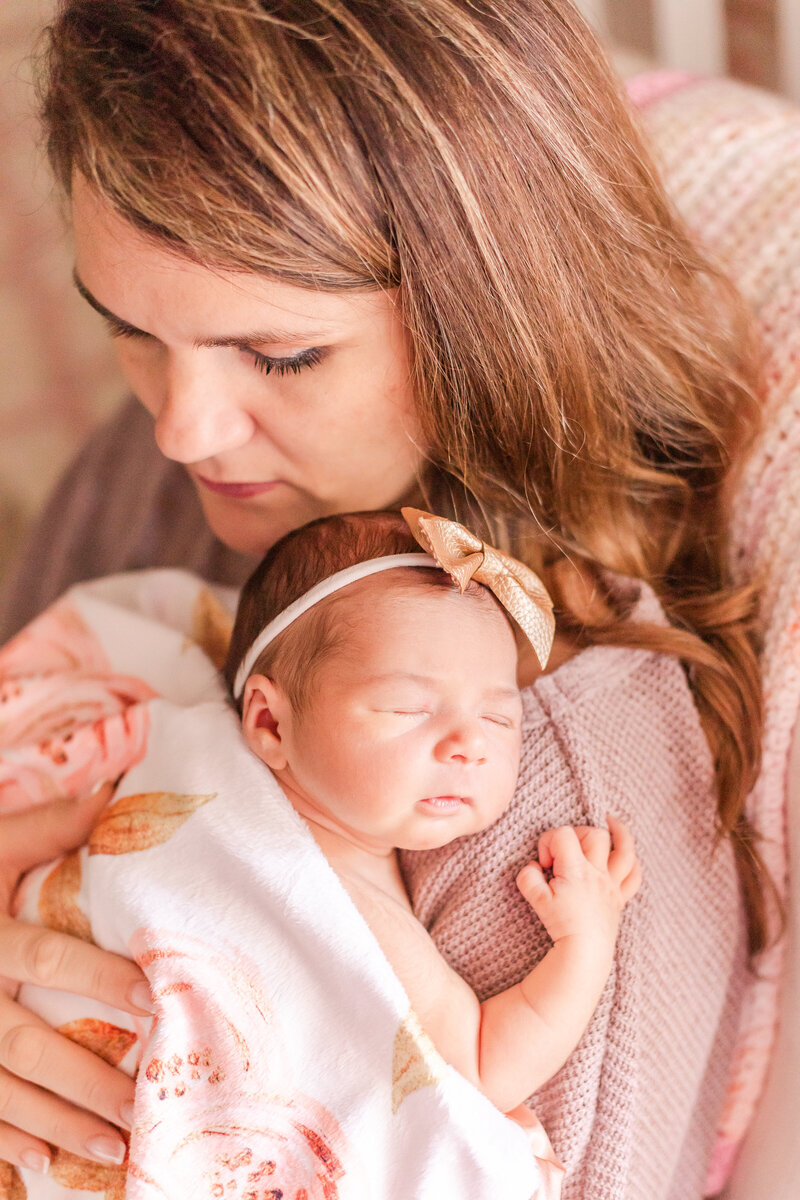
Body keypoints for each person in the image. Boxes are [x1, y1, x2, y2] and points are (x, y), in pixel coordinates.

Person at [0, 2, 771, 1195]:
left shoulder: (532, 791)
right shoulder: (157, 477)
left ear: (490, 309)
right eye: (132, 330)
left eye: (283, 355)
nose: (179, 425)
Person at [228, 508, 640, 1130]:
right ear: (269, 723)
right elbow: (480, 1070)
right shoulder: (341, 897)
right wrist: (586, 943)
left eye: (499, 719)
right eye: (407, 707)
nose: (469, 745)